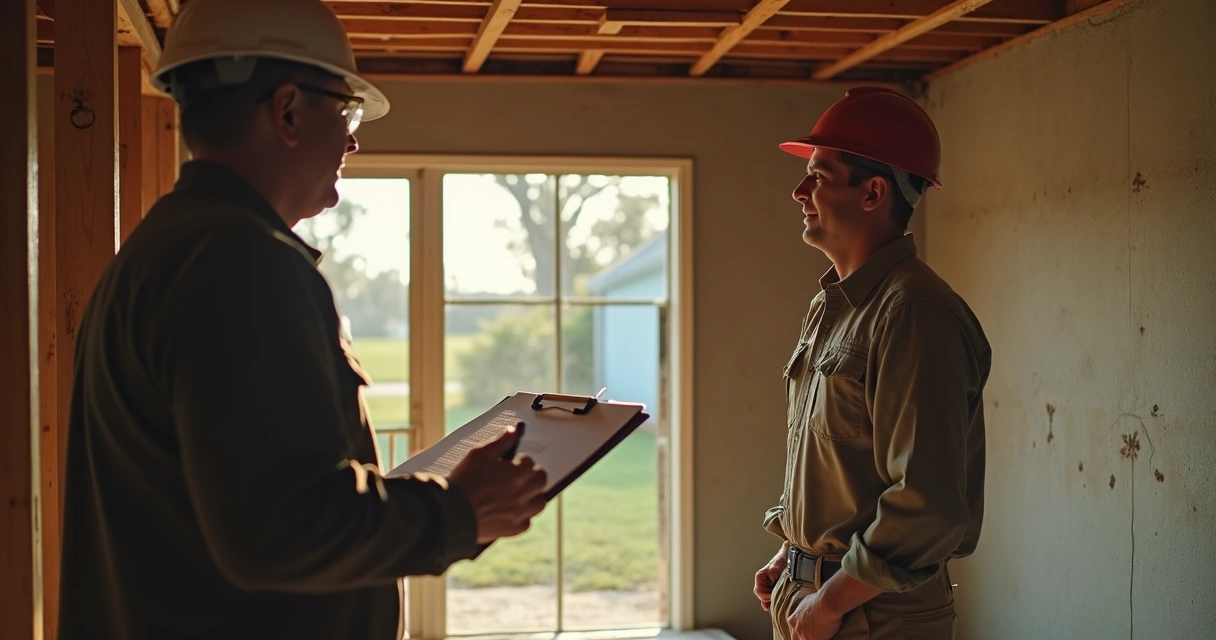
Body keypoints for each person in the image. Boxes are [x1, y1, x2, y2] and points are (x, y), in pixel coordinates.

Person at [57, 1, 547, 638]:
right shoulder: (243, 265)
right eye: (345, 111)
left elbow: (254, 499)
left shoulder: (160, 253)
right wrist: (459, 509)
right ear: (287, 111)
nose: (353, 139)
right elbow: (281, 527)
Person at [753, 87, 992, 640]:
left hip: (874, 615)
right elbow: (843, 467)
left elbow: (927, 504)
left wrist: (829, 601)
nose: (799, 191)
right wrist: (796, 554)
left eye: (819, 175)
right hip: (821, 598)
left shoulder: (915, 313)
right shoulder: (834, 305)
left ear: (873, 192)